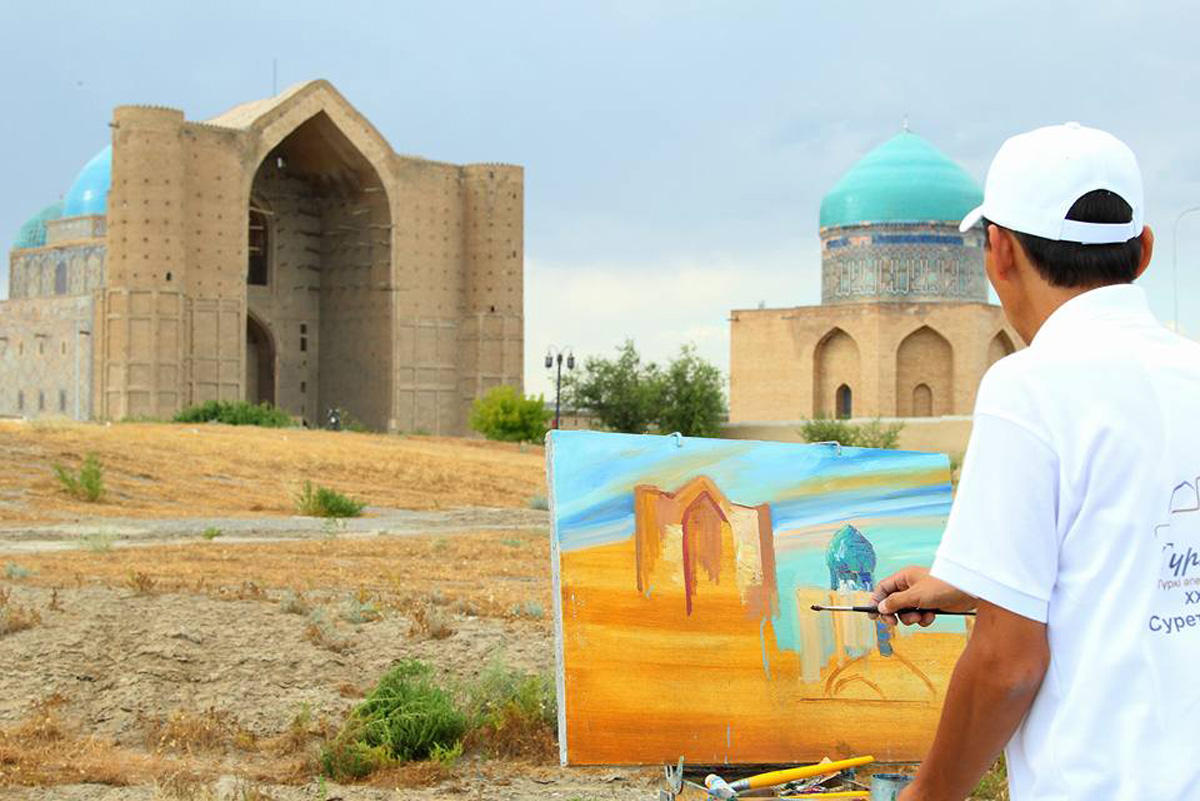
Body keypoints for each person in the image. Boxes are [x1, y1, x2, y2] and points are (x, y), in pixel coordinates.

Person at [870, 123, 1200, 801]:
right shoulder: (1189, 370)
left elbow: (1007, 664)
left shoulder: (1031, 387)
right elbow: (1138, 549)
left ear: (998, 252)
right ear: (1143, 250)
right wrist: (971, 582)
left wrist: (926, 794)